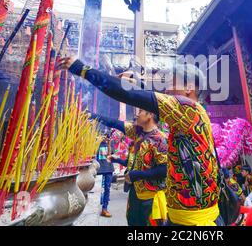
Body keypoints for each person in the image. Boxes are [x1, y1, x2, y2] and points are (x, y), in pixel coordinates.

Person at [58, 57, 220, 226]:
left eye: (173, 84)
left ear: (189, 88)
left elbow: (131, 95)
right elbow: (142, 98)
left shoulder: (188, 109)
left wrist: (82, 69)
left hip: (192, 221)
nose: (168, 89)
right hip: (179, 215)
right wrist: (134, 81)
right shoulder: (184, 114)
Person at [91, 109, 168, 226]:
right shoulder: (137, 133)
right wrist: (92, 115)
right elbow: (114, 123)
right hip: (134, 195)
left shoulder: (160, 139)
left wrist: (137, 175)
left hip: (151, 198)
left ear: (150, 115)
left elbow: (164, 170)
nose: (137, 114)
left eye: (141, 110)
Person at [96, 136, 114, 217]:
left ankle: (105, 208)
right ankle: (96, 208)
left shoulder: (110, 142)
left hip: (108, 168)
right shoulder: (95, 140)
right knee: (97, 189)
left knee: (107, 188)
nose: (105, 136)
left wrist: (109, 143)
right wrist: (98, 141)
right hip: (98, 168)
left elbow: (110, 155)